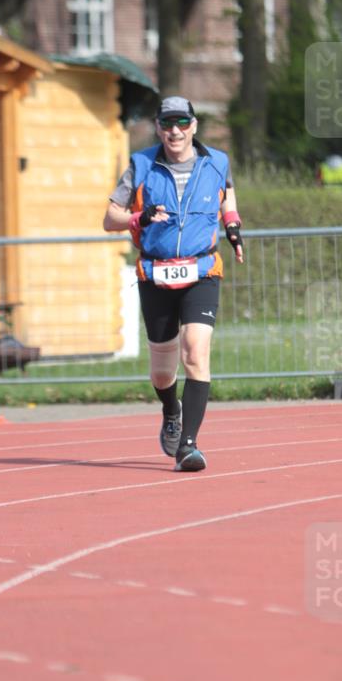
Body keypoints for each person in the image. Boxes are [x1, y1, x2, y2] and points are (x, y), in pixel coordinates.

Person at [103, 96, 243, 472]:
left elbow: (227, 193)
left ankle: (188, 446)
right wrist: (140, 217)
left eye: (182, 123)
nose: (175, 131)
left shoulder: (217, 161)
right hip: (156, 273)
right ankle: (171, 409)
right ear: (158, 128)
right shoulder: (141, 165)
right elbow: (110, 218)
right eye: (167, 124)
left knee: (195, 352)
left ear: (194, 126)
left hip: (202, 270)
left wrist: (232, 224)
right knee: (163, 371)